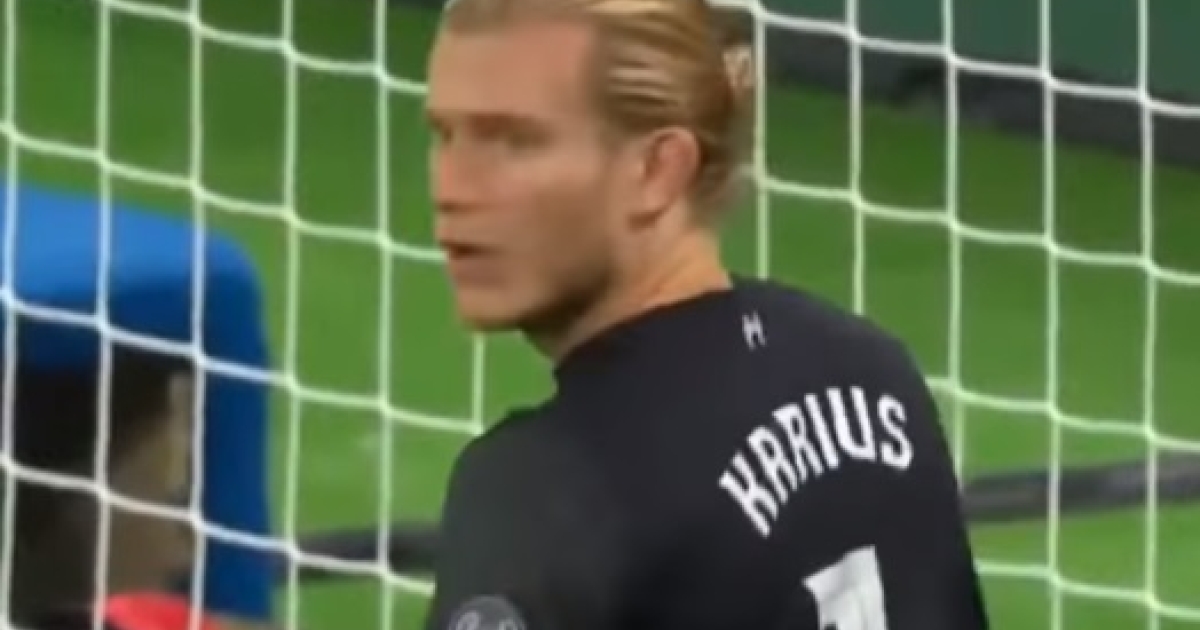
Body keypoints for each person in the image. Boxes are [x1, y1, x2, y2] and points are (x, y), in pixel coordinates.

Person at [423, 0, 990, 628]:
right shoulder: (874, 371)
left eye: (514, 142)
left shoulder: (545, 490)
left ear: (658, 170)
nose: (451, 187)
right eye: (444, 135)